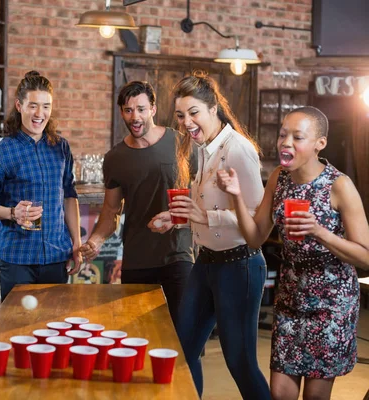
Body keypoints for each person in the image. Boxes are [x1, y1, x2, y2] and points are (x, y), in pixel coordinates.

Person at [217, 106, 369, 400]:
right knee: (280, 394)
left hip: (332, 303)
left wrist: (320, 231)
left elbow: (365, 256)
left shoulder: (339, 186)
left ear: (319, 144)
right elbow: (254, 238)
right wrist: (236, 195)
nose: (286, 142)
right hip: (291, 298)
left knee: (315, 397)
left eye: (297, 137)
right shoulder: (279, 178)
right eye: (283, 135)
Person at [149, 72, 270, 399]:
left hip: (239, 266)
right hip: (207, 263)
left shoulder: (237, 149)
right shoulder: (204, 148)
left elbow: (260, 216)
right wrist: (177, 219)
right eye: (180, 115)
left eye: (193, 112)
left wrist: (206, 216)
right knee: (182, 352)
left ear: (213, 108)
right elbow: (204, 211)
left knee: (240, 362)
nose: (186, 122)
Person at [79, 81, 195, 324]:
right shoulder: (115, 159)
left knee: (184, 339)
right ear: (122, 112)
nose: (135, 117)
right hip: (137, 262)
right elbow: (111, 210)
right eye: (129, 110)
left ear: (152, 109)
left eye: (141, 109)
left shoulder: (180, 143)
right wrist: (95, 240)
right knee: (142, 337)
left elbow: (202, 191)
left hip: (178, 256)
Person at [0, 71, 81, 301]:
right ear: (19, 106)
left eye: (46, 106)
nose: (40, 114)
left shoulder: (61, 147)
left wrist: (76, 243)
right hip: (16, 258)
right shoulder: (2, 151)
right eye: (33, 106)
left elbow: (69, 195)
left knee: (53, 328)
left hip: (56, 257)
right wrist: (12, 213)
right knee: (14, 329)